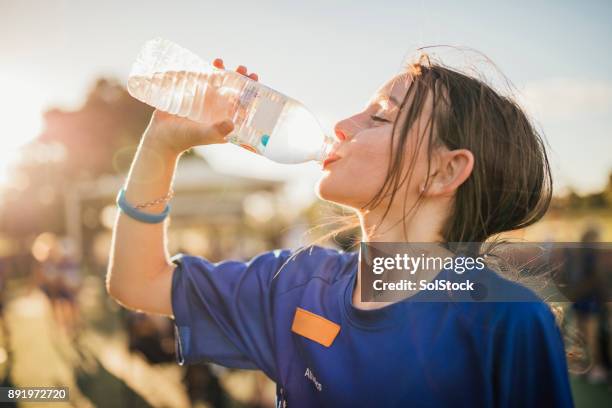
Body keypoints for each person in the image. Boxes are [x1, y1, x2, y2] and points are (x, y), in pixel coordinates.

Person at [107, 55, 574, 407]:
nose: (341, 126)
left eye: (380, 116)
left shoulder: (508, 321)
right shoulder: (296, 284)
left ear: (443, 172)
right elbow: (137, 282)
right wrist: (160, 147)